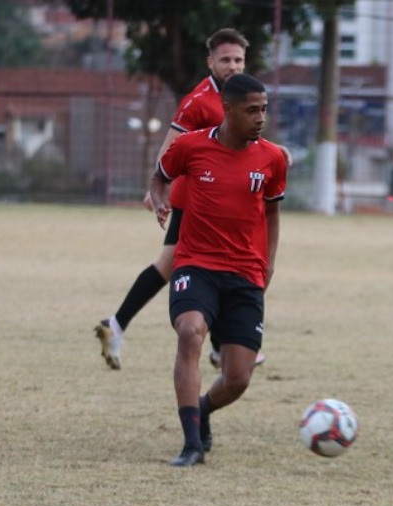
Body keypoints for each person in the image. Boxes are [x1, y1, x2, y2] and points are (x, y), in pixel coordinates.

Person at [94, 28, 268, 371]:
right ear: (210, 62)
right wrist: (157, 188)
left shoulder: (239, 96)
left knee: (172, 265)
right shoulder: (198, 101)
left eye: (238, 59)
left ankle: (117, 325)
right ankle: (219, 346)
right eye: (225, 60)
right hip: (196, 203)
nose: (233, 66)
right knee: (205, 266)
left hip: (217, 204)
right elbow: (170, 148)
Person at [148, 73, 286, 467]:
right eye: (252, 110)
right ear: (227, 110)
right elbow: (160, 176)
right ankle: (192, 444)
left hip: (245, 273)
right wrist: (159, 199)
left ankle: (203, 409)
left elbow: (272, 214)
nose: (260, 118)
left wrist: (268, 264)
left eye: (264, 109)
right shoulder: (191, 146)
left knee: (238, 376)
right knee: (190, 332)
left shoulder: (272, 158)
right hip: (196, 264)